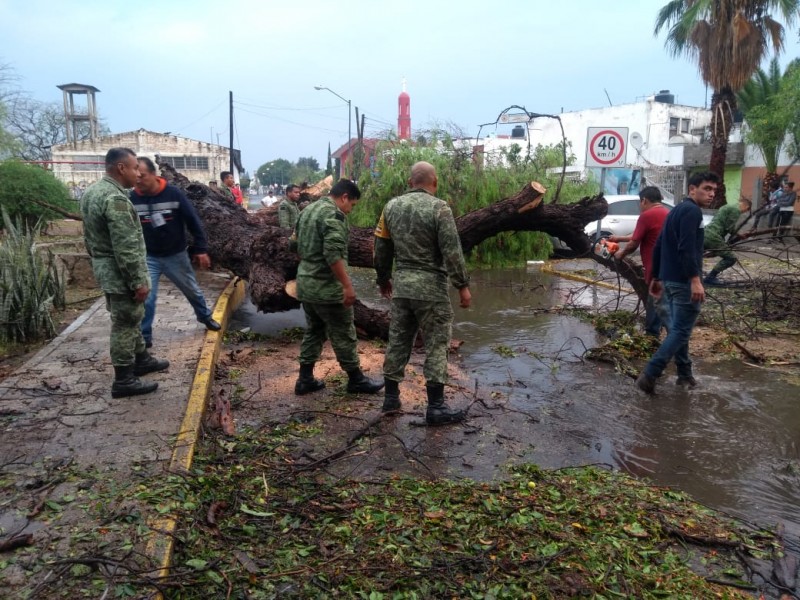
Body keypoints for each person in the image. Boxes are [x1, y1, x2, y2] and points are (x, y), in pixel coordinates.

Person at [374, 161, 472, 425]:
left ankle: (391, 399)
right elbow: (452, 251)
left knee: (398, 341)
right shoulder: (440, 208)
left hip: (403, 288)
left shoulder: (390, 207)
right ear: (435, 182)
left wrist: (383, 279)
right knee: (436, 345)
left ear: (409, 183)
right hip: (432, 290)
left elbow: (381, 248)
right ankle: (436, 407)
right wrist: (462, 286)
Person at [80, 148, 169, 398]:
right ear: (121, 168)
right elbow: (126, 245)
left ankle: (142, 359)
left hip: (106, 268)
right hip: (120, 273)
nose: (138, 174)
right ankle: (124, 380)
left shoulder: (93, 192)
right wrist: (138, 281)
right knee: (125, 323)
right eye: (134, 169)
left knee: (132, 318)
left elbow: (89, 236)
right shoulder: (115, 199)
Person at [290, 179, 383, 396]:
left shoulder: (308, 211)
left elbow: (293, 244)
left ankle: (305, 379)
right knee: (344, 332)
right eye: (352, 205)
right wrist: (347, 286)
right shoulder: (334, 216)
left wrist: (310, 264)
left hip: (306, 285)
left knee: (314, 331)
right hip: (327, 290)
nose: (350, 210)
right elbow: (333, 255)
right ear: (344, 198)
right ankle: (356, 380)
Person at [635, 172, 720, 394]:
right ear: (692, 189)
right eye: (707, 188)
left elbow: (660, 245)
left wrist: (655, 278)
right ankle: (651, 373)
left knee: (677, 329)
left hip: (670, 280)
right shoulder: (692, 212)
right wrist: (695, 280)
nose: (712, 194)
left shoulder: (675, 212)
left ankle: (684, 375)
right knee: (681, 330)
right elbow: (686, 247)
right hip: (683, 282)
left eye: (714, 190)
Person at [129, 157, 222, 348]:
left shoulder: (173, 194)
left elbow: (193, 221)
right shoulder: (132, 198)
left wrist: (201, 249)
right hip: (149, 256)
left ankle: (205, 317)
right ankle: (145, 337)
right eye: (136, 176)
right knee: (148, 297)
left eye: (143, 176)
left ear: (154, 175)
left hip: (175, 255)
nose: (138, 180)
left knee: (192, 290)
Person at [609, 186, 671, 337]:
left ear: (644, 200)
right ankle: (667, 336)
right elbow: (640, 234)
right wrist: (618, 238)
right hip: (671, 269)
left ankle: (655, 338)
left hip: (657, 271)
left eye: (640, 202)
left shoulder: (647, 215)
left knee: (656, 306)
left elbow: (634, 244)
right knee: (665, 304)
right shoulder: (668, 214)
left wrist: (621, 254)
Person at [703, 198, 750, 285]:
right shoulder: (736, 210)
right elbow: (729, 227)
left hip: (706, 233)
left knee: (697, 255)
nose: (744, 212)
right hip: (713, 236)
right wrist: (739, 235)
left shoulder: (727, 206)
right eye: (746, 210)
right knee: (731, 258)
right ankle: (710, 277)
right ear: (745, 205)